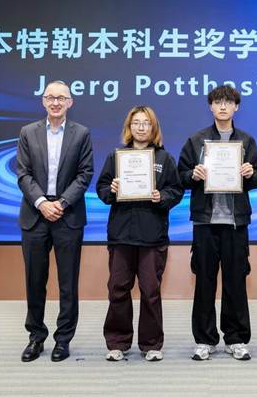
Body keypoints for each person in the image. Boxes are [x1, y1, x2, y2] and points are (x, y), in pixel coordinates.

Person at [178, 85, 257, 361]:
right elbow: (180, 176)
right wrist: (193, 174)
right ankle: (205, 339)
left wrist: (249, 173)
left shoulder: (246, 141)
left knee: (235, 282)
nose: (223, 107)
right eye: (217, 102)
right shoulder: (197, 140)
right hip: (205, 222)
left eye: (228, 102)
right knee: (204, 282)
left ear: (236, 107)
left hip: (236, 223)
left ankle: (236, 338)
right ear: (211, 107)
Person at [96, 106, 183, 362]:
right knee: (117, 289)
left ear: (153, 128)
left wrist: (161, 196)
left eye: (146, 123)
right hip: (121, 235)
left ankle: (151, 344)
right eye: (136, 123)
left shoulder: (164, 159)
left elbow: (176, 191)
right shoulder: (116, 157)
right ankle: (118, 342)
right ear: (129, 127)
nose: (141, 127)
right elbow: (102, 189)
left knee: (150, 291)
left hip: (152, 236)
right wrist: (112, 189)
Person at [16, 80, 94, 362]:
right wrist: (42, 203)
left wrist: (60, 203)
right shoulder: (28, 132)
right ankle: (36, 337)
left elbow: (85, 174)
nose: (56, 102)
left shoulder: (81, 133)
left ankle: (63, 340)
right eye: (51, 97)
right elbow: (23, 174)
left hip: (67, 215)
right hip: (35, 215)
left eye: (61, 98)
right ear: (43, 101)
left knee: (67, 283)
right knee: (34, 281)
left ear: (70, 102)